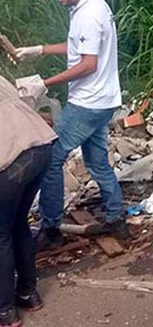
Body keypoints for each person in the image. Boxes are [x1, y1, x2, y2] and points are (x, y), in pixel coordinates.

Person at [15, 0, 128, 251]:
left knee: (51, 159)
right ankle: (116, 215)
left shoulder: (90, 13)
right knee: (96, 160)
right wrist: (38, 49)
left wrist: (44, 83)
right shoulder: (87, 7)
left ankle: (51, 228)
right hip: (103, 99)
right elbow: (77, 45)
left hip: (88, 102)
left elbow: (88, 63)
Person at [0, 75, 57, 327]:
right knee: (18, 223)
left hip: (12, 159)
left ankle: (4, 310)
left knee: (0, 234)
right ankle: (27, 293)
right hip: (40, 147)